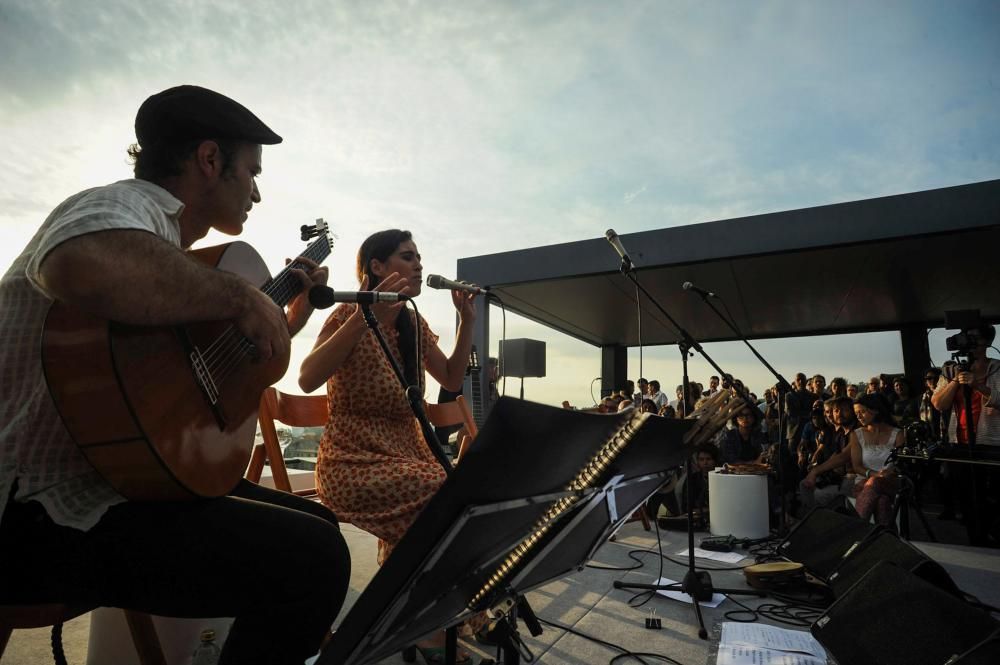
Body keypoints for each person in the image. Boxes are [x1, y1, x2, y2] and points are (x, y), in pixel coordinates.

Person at [0, 85, 349, 665]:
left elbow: (232, 370)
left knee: (316, 519)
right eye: (251, 172)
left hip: (113, 481)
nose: (257, 192)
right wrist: (240, 295)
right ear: (210, 161)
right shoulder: (130, 206)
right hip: (38, 514)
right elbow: (78, 260)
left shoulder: (175, 270)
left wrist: (289, 311)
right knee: (313, 560)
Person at [298, 229, 476, 661]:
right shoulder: (347, 314)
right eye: (407, 256)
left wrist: (467, 320)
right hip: (352, 461)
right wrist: (366, 316)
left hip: (407, 456)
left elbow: (451, 380)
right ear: (377, 267)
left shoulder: (414, 324)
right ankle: (422, 621)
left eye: (419, 257)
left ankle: (418, 618)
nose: (418, 264)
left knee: (457, 491)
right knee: (443, 494)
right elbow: (306, 378)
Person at [931, 324, 1000, 545]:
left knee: (993, 497)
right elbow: (938, 403)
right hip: (958, 443)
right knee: (967, 498)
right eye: (965, 338)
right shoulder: (950, 370)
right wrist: (955, 380)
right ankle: (976, 541)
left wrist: (978, 386)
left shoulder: (997, 367)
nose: (968, 343)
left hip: (990, 443)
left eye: (974, 339)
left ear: (986, 343)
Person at [850, 393, 905, 527]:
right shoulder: (856, 434)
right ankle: (889, 539)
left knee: (875, 484)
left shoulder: (898, 434)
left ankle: (854, 530)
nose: (858, 416)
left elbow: (900, 464)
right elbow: (856, 467)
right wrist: (876, 475)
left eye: (862, 411)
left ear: (875, 410)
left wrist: (881, 477)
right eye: (856, 413)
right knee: (882, 502)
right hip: (863, 484)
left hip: (891, 483)